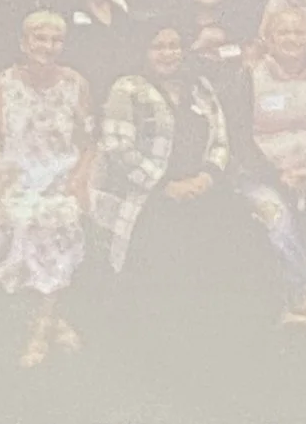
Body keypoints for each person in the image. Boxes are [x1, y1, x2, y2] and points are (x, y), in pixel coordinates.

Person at [0, 9, 97, 366]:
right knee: (20, 220)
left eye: (55, 40)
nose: (47, 46)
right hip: (15, 178)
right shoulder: (1, 85)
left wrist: (80, 181)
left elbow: (90, 141)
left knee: (59, 219)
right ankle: (54, 317)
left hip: (62, 178)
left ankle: (39, 329)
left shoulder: (76, 83)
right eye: (39, 39)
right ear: (24, 43)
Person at [91, 21, 230, 320]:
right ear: (143, 51)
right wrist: (167, 185)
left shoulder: (200, 87)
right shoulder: (127, 88)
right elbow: (118, 149)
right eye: (158, 47)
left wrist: (207, 176)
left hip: (201, 191)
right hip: (149, 198)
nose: (168, 54)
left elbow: (220, 138)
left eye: (174, 46)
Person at [239, 4, 306, 340]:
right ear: (269, 39)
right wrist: (277, 177)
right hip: (264, 177)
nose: (291, 38)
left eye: (298, 32)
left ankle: (297, 299)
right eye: (282, 32)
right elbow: (239, 137)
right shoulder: (250, 77)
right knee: (277, 220)